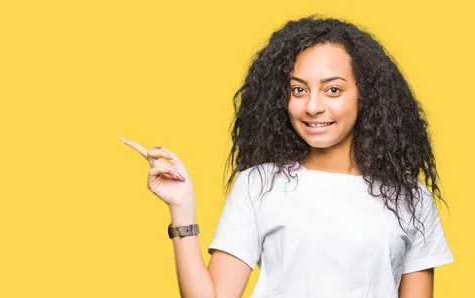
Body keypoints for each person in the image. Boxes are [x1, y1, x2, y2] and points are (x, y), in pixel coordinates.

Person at [121, 15, 454, 298]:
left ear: (365, 95)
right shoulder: (259, 184)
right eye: (298, 89)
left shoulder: (412, 200)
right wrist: (181, 207)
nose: (312, 106)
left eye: (333, 89)